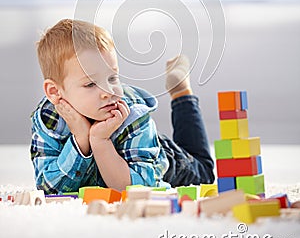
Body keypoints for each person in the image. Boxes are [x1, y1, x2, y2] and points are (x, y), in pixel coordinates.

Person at [30, 19, 214, 194]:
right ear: (55, 92)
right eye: (90, 84)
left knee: (204, 172)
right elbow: (49, 188)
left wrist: (100, 142)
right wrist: (80, 140)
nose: (108, 91)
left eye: (112, 78)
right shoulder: (49, 120)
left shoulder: (133, 114)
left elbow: (136, 189)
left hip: (151, 153)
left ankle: (181, 92)